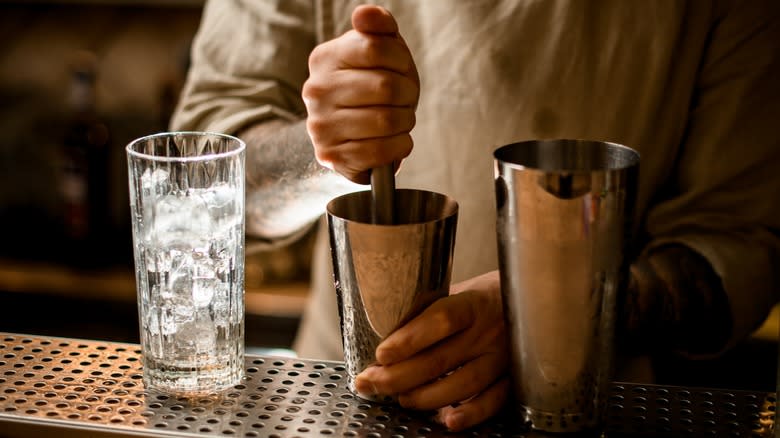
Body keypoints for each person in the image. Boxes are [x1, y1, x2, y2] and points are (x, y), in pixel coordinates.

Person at [171, 1, 780, 431]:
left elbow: (739, 248)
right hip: (339, 403)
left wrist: (552, 315)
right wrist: (324, 152)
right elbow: (196, 185)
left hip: (593, 411)